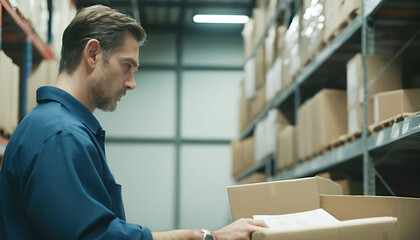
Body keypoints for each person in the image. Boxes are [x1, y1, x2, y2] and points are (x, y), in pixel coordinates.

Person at [0, 4, 267, 240]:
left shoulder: (60, 127)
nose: (131, 83)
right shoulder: (60, 134)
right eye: (127, 65)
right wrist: (210, 237)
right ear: (92, 54)